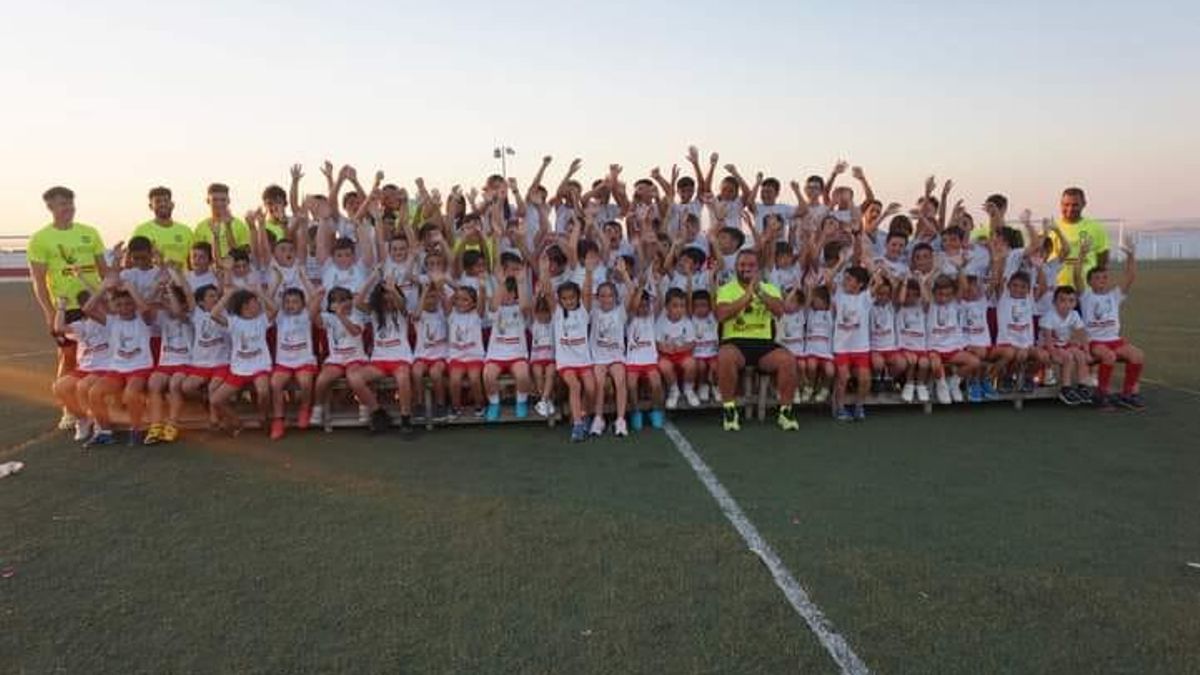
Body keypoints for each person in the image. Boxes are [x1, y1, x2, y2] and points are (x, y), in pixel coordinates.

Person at [29, 186, 108, 430]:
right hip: (66, 307)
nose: (68, 208)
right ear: (51, 207)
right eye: (62, 204)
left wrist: (109, 298)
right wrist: (50, 312)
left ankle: (103, 399)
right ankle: (69, 409)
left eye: (70, 202)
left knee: (102, 350)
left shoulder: (90, 233)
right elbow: (39, 281)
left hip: (95, 303)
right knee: (69, 356)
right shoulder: (41, 239)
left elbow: (103, 269)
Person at [714, 250, 800, 431]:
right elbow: (721, 315)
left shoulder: (770, 288)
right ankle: (729, 409)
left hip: (764, 344)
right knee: (725, 356)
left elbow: (779, 311)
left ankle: (786, 411)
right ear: (736, 267)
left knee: (788, 360)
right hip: (735, 341)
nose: (746, 269)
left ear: (758, 268)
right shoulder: (726, 289)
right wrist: (747, 296)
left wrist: (759, 291)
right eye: (742, 265)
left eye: (751, 265)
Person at [1074, 237, 1145, 410]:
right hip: (1095, 341)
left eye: (1105, 277)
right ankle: (1101, 395)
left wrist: (1131, 255)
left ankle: (1127, 394)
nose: (1102, 280)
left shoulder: (1114, 296)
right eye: (1097, 277)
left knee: (1137, 355)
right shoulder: (1086, 296)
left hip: (1115, 340)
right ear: (1090, 282)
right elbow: (1076, 275)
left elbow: (1131, 276)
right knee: (1109, 356)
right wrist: (1082, 254)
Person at [1049, 187, 1110, 285]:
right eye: (1066, 205)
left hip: (1086, 290)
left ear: (1084, 204)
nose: (1070, 209)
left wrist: (1098, 285)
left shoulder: (1095, 228)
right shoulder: (1051, 228)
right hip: (1057, 291)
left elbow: (1103, 261)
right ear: (1061, 205)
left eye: (1075, 205)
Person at [133, 186, 193, 267]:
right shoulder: (141, 231)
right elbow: (134, 263)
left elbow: (193, 263)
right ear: (151, 206)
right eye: (158, 201)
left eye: (166, 200)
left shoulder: (186, 231)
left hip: (183, 279)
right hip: (153, 279)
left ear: (172, 204)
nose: (163, 204)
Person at [193, 183, 251, 259]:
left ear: (229, 201)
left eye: (223, 200)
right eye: (215, 200)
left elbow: (243, 255)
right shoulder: (201, 227)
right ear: (208, 201)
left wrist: (228, 226)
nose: (219, 203)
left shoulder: (239, 225)